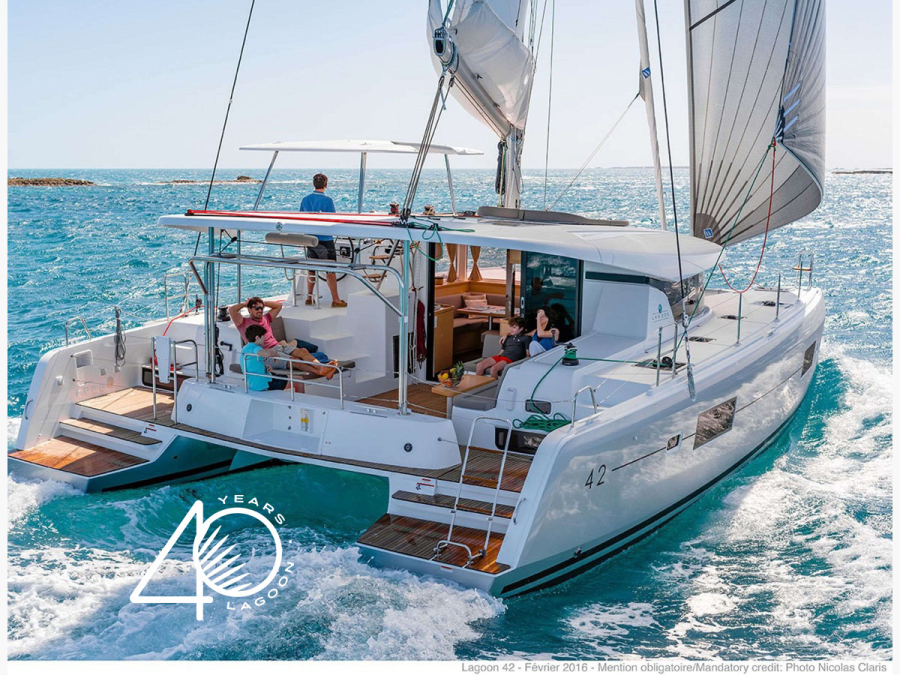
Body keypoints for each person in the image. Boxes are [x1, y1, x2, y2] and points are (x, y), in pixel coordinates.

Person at [229, 296, 336, 379]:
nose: (260, 310)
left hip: (278, 347)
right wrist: (245, 304)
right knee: (295, 361)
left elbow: (278, 306)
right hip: (266, 354)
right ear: (249, 309)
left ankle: (321, 367)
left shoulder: (266, 318)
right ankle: (320, 371)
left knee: (303, 351)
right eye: (257, 308)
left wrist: (263, 302)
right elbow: (232, 311)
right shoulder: (243, 322)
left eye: (261, 308)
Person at [301, 173, 346, 308]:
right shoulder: (328, 201)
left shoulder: (305, 200)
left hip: (310, 239)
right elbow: (332, 219)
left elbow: (300, 217)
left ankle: (309, 297)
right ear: (326, 185)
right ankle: (336, 299)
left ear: (313, 184)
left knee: (311, 269)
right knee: (330, 270)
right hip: (325, 240)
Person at [242, 324, 306, 393]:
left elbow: (253, 365)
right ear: (257, 338)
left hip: (256, 382)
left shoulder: (245, 348)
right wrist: (275, 354)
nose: (264, 339)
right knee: (299, 380)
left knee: (286, 377)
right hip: (265, 384)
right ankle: (300, 399)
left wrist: (265, 367)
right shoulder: (255, 348)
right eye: (263, 337)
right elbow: (264, 353)